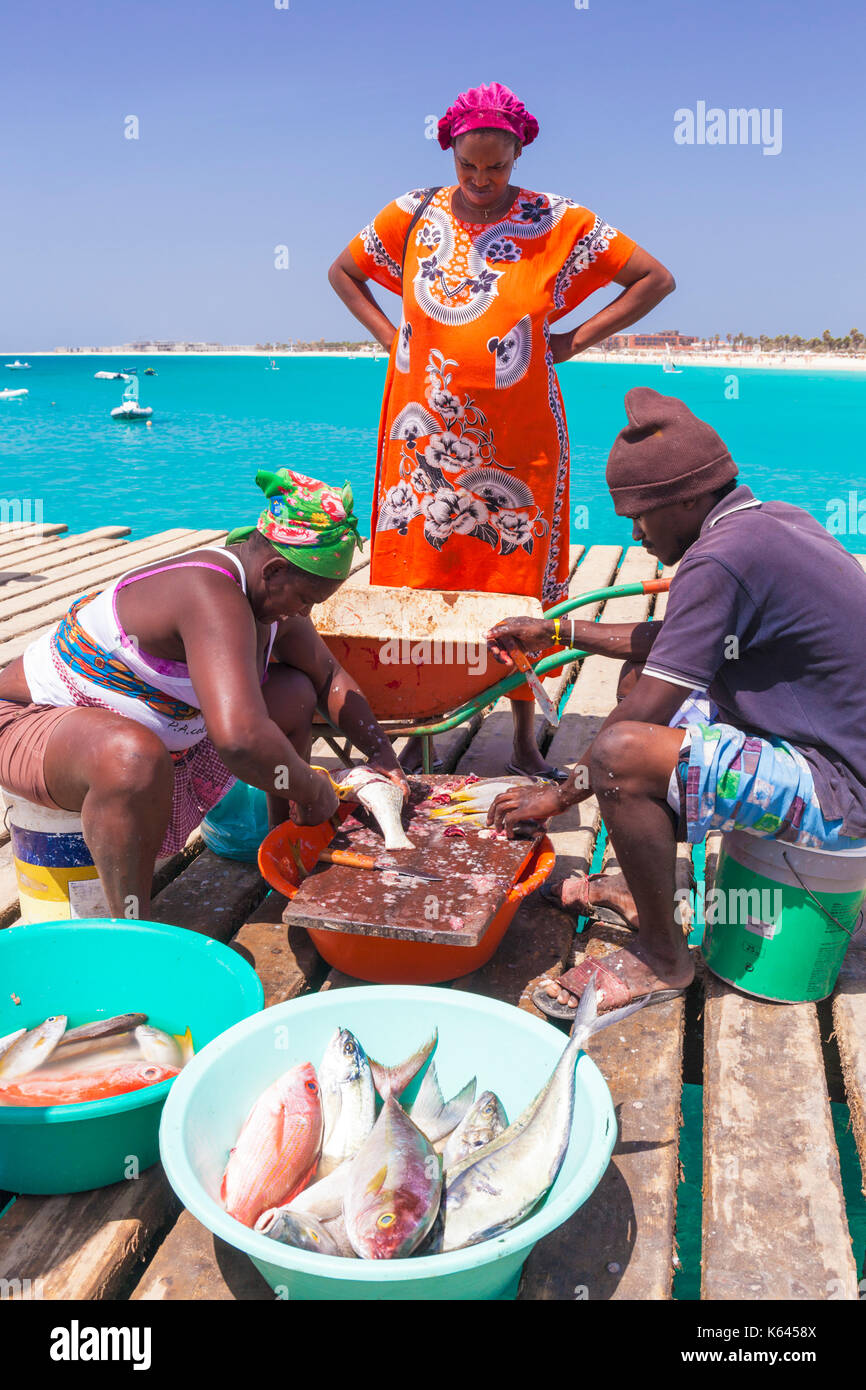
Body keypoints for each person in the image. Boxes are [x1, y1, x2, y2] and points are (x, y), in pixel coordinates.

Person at [328, 81, 675, 778]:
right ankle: (421, 724)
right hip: (419, 433)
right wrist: (392, 336)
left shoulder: (558, 220)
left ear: (518, 155)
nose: (483, 182)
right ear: (450, 151)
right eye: (469, 167)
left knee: (515, 583)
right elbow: (344, 272)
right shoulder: (410, 214)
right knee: (417, 577)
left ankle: (519, 736)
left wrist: (575, 339)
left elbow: (652, 279)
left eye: (497, 167)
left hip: (520, 441)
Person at [485, 388, 866, 1016]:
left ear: (688, 498)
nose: (635, 533)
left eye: (642, 514)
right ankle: (647, 891)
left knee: (620, 752)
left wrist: (557, 795)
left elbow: (639, 722)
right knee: (640, 679)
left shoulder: (720, 559)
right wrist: (557, 630)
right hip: (821, 744)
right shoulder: (770, 521)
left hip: (842, 791)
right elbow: (681, 644)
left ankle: (663, 957)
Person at [0, 469, 408, 921]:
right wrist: (313, 789)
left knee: (292, 690)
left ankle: (283, 849)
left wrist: (384, 758)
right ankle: (130, 926)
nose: (304, 613)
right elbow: (239, 741)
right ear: (272, 571)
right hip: (30, 724)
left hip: (153, 731)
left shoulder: (268, 597)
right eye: (305, 598)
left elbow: (328, 676)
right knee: (132, 758)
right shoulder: (209, 593)